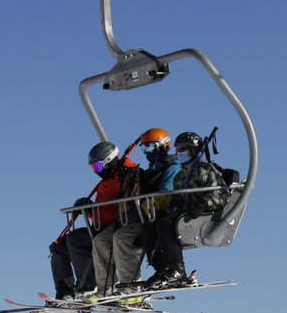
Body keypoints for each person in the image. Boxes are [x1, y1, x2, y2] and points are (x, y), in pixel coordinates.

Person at [49, 140, 137, 299]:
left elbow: (117, 213)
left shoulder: (127, 177)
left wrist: (90, 209)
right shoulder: (105, 183)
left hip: (116, 228)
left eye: (97, 167)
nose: (95, 171)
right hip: (100, 227)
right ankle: (66, 292)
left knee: (77, 240)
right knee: (58, 249)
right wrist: (88, 208)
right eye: (92, 168)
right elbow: (102, 212)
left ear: (109, 162)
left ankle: (91, 286)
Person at [144, 131, 229, 289]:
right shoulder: (179, 172)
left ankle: (177, 270)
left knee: (165, 223)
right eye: (177, 149)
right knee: (149, 225)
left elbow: (222, 194)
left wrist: (203, 204)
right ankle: (163, 268)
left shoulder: (204, 169)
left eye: (183, 149)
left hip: (200, 214)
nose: (179, 153)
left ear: (193, 150)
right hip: (183, 211)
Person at [111, 128, 181, 289]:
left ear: (163, 146)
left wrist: (142, 205)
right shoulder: (150, 171)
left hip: (161, 215)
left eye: (149, 147)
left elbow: (166, 194)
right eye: (144, 148)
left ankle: (162, 273)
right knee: (120, 236)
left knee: (129, 234)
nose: (146, 153)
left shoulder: (172, 168)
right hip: (146, 215)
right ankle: (133, 280)